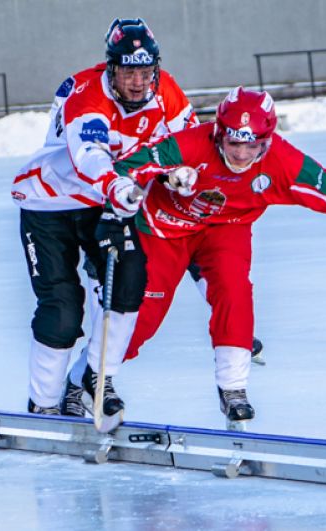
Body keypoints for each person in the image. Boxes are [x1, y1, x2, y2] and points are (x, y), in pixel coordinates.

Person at [92, 87, 326, 427]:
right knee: (144, 315)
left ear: (268, 140)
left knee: (235, 294)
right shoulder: (190, 144)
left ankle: (233, 388)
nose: (243, 154)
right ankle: (93, 376)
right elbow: (126, 167)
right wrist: (149, 183)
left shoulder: (283, 163)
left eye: (254, 145)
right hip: (163, 229)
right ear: (219, 133)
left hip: (226, 231)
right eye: (234, 144)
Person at [11, 18, 197, 417]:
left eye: (145, 71)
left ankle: (95, 376)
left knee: (128, 282)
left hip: (107, 200)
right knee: (62, 310)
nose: (137, 82)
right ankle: (42, 407)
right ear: (111, 68)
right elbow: (89, 157)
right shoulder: (86, 93)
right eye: (128, 71)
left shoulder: (166, 91)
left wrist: (186, 172)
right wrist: (119, 187)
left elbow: (189, 141)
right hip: (51, 202)